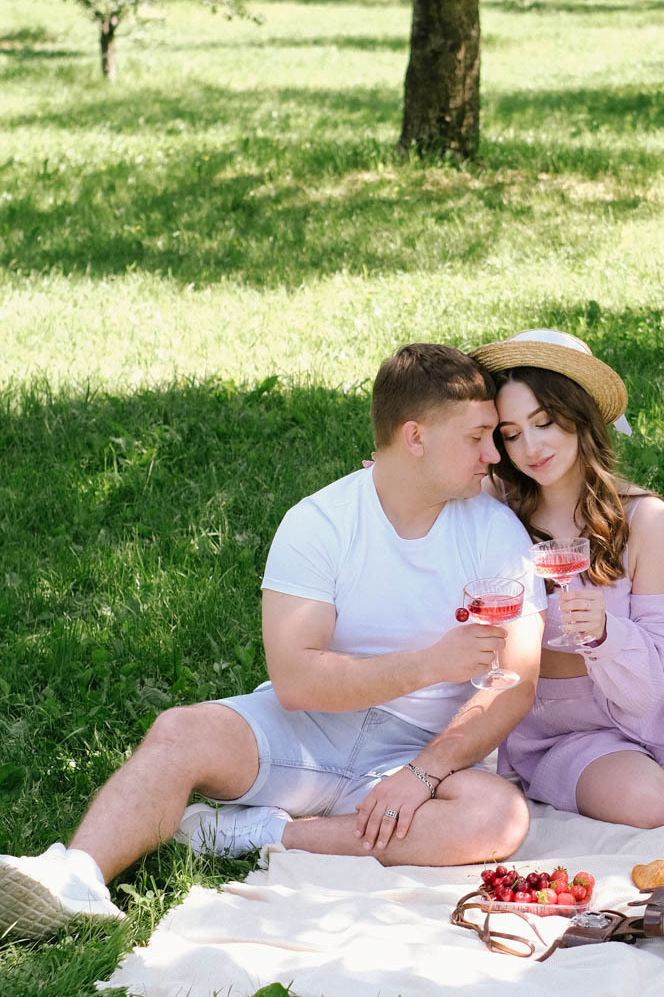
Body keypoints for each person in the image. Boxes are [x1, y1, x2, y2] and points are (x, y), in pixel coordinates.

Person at [0, 345, 542, 944]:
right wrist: (429, 664)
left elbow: (516, 685)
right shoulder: (321, 523)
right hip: (309, 730)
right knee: (181, 731)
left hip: (424, 747)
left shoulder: (493, 531)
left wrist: (421, 773)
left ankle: (261, 833)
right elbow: (297, 680)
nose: (494, 456)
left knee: (496, 817)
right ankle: (75, 877)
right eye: (477, 437)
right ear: (415, 436)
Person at [470, 329, 664, 828]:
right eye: (512, 434)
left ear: (580, 416)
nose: (531, 447)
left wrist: (607, 634)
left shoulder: (645, 518)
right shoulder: (493, 509)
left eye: (545, 423)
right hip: (564, 723)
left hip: (658, 695)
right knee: (653, 805)